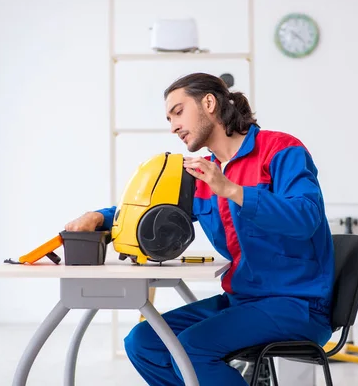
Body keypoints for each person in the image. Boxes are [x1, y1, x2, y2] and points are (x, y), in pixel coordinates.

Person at [65, 72, 335, 385]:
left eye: (178, 112)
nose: (173, 126)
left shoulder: (280, 149)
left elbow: (306, 216)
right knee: (144, 343)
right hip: (242, 301)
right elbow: (151, 211)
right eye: (168, 118)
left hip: (298, 305)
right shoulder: (204, 175)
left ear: (209, 103)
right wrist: (98, 217)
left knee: (192, 349)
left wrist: (232, 189)